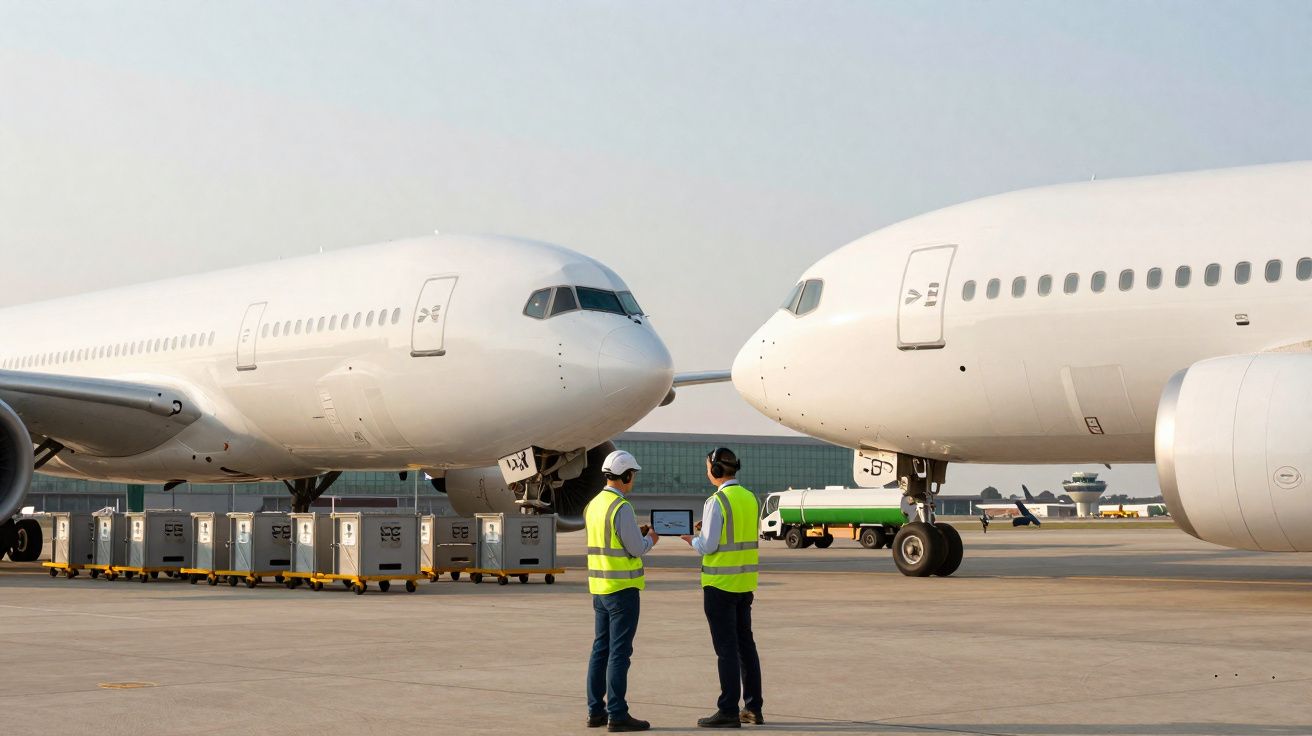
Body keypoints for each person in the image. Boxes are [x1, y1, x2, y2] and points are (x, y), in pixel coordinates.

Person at [681, 447, 764, 728]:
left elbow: (708, 545)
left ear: (715, 471)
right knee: (745, 647)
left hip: (719, 585)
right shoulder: (750, 498)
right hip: (744, 584)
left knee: (726, 650)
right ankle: (753, 708)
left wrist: (691, 539)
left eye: (708, 467)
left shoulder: (716, 501)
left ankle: (728, 710)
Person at [584, 450, 660, 732]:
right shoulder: (621, 507)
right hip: (622, 590)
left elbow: (608, 540)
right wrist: (650, 538)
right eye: (633, 475)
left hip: (600, 588)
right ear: (626, 476)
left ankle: (595, 711)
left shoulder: (593, 505)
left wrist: (635, 534)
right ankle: (617, 713)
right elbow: (636, 549)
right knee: (619, 653)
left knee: (600, 650)